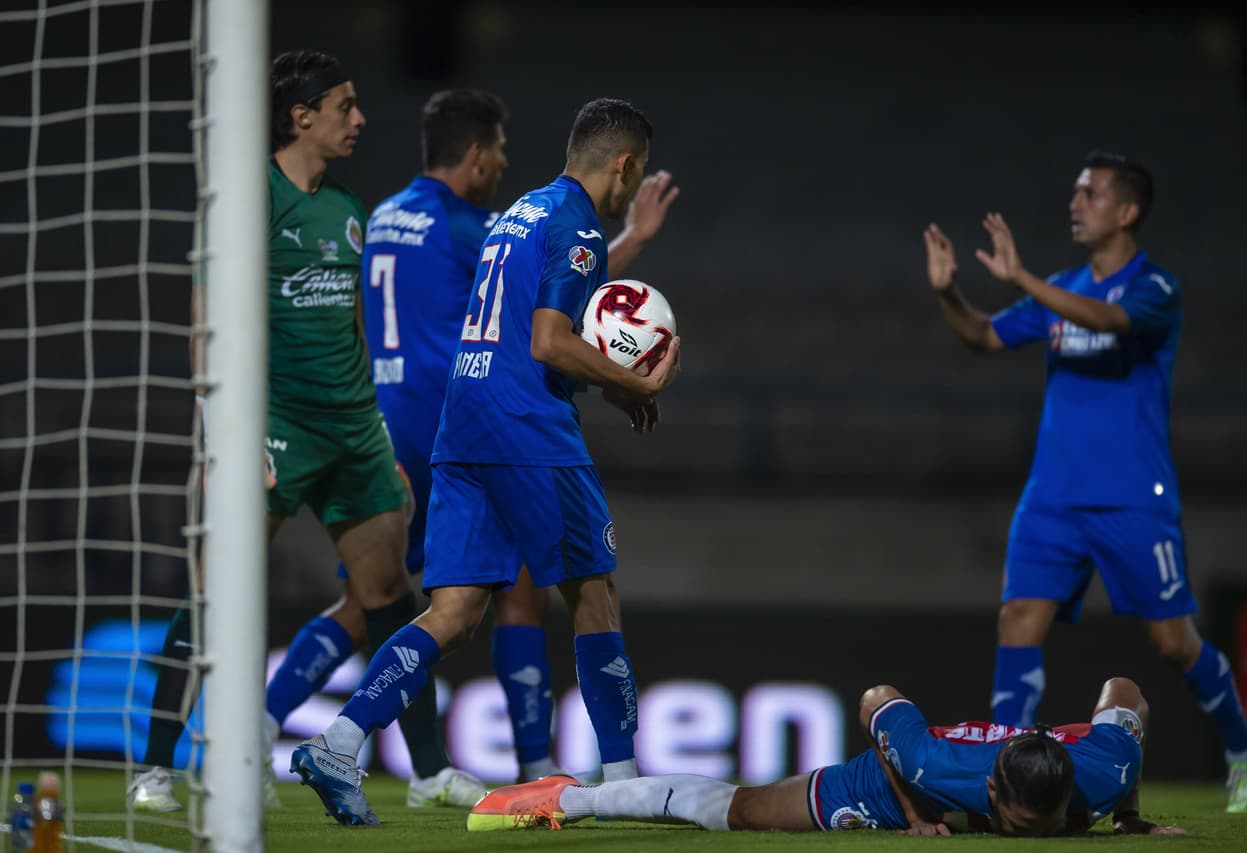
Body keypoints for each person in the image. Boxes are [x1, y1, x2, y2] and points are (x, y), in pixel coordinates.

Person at [263, 89, 679, 799]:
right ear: (625, 165)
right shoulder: (576, 229)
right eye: (636, 173)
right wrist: (633, 381)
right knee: (594, 593)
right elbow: (548, 341)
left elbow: (517, 327)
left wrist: (604, 386)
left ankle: (338, 741)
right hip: (527, 429)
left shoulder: (518, 213)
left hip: (461, 424)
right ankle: (622, 779)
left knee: (451, 612)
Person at [922, 150, 1247, 815]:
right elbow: (985, 337)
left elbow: (1108, 321)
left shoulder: (1155, 288)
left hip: (1133, 498)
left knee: (1173, 642)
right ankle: (1005, 770)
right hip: (1052, 497)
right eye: (1076, 193)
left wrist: (1021, 276)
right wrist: (948, 294)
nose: (1075, 204)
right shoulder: (1064, 285)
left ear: (1128, 210)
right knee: (1018, 619)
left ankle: (1244, 750)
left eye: (1092, 194)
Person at [127, 49, 416, 814]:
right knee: (215, 593)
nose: (360, 119)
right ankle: (154, 767)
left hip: (354, 429)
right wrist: (224, 432)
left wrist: (380, 430)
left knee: (387, 592)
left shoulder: (349, 210)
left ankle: (430, 772)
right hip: (274, 428)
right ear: (301, 116)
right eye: (345, 106)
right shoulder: (248, 197)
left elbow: (356, 328)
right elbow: (206, 323)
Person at [467, 677, 1187, 836]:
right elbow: (878, 698)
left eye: (1048, 826)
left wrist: (1128, 815)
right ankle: (572, 796)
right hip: (889, 784)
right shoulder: (934, 766)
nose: (1033, 837)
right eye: (1021, 827)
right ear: (995, 794)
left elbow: (1125, 692)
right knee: (737, 811)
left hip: (951, 777)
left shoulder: (1105, 770)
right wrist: (913, 810)